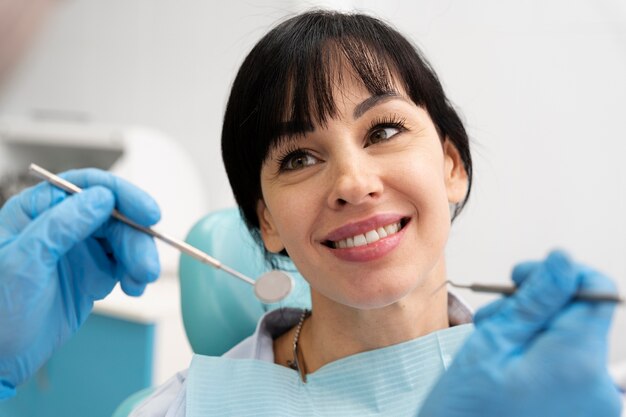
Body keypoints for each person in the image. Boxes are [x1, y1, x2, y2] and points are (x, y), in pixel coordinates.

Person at [0, 8, 622, 417]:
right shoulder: (181, 411)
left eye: (382, 131)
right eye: (298, 157)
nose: (352, 183)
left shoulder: (563, 394)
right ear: (265, 219)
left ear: (451, 166)